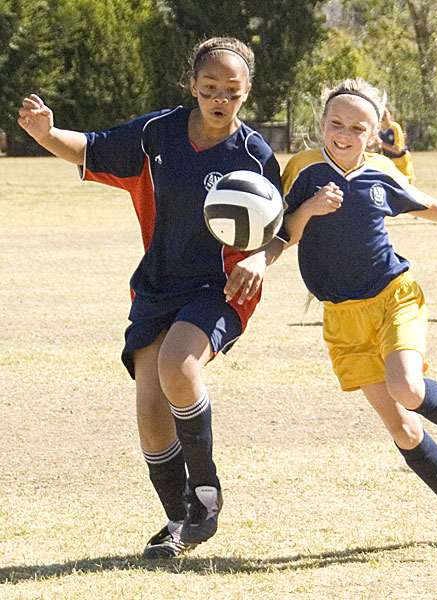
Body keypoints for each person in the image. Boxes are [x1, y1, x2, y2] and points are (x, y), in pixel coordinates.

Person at [18, 37, 285, 558]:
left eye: (231, 91)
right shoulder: (157, 132)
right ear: (193, 85)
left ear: (247, 91)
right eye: (209, 88)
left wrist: (260, 257)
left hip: (222, 286)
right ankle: (179, 521)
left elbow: (280, 225)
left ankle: (205, 494)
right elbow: (91, 147)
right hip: (159, 284)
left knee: (177, 365)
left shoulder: (254, 155)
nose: (219, 99)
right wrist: (47, 134)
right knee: (150, 410)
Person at [281, 78, 437, 548]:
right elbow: (285, 232)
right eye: (336, 123)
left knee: (406, 387)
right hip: (342, 318)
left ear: (373, 134)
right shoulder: (302, 170)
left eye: (357, 127)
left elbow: (420, 202)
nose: (344, 134)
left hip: (394, 297)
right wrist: (309, 208)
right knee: (405, 430)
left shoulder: (381, 170)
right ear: (322, 124)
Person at [378, 105, 415, 182]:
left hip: (401, 163)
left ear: (390, 115)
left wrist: (381, 143)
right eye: (381, 114)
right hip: (389, 163)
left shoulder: (395, 128)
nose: (383, 117)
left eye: (385, 114)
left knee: (405, 185)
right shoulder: (378, 130)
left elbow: (398, 150)